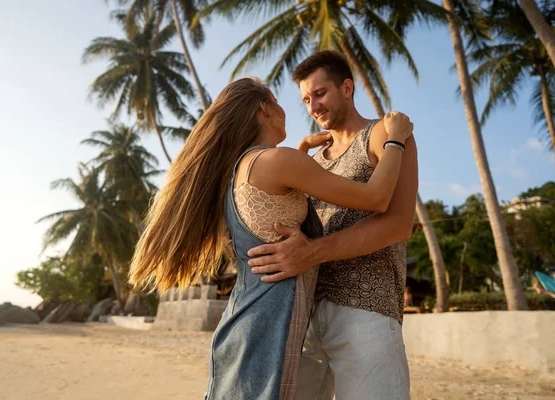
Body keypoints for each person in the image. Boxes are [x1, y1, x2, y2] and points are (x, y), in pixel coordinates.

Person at [128, 77, 413, 400]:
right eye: (281, 102)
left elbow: (278, 200)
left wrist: (302, 153)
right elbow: (377, 198)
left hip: (244, 320)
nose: (291, 110)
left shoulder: (240, 169)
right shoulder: (278, 162)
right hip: (268, 328)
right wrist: (396, 139)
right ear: (264, 110)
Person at [247, 50, 418, 400]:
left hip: (366, 308)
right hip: (305, 315)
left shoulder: (384, 134)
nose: (313, 106)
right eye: (307, 99)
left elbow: (399, 223)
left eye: (320, 93)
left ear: (347, 88)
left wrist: (312, 254)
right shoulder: (311, 159)